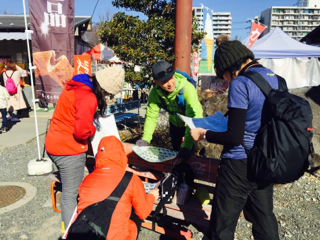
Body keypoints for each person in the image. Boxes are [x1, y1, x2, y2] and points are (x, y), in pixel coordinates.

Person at [190, 41, 280, 240]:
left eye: (225, 76)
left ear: (230, 67)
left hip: (238, 163)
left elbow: (234, 136)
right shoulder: (275, 79)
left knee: (222, 225)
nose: (227, 81)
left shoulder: (241, 83)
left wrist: (203, 133)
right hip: (266, 160)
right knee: (264, 218)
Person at [45, 66, 125, 231]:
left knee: (70, 191)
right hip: (68, 150)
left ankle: (69, 227)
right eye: (108, 94)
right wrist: (94, 128)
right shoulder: (89, 97)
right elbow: (82, 132)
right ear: (104, 90)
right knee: (70, 195)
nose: (107, 97)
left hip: (54, 143)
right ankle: (70, 232)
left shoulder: (76, 86)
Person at [76, 136, 159, 240]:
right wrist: (152, 196)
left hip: (87, 234)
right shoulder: (130, 179)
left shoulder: (87, 179)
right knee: (135, 213)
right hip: (117, 237)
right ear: (121, 155)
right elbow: (143, 213)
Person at [136, 61, 203, 158]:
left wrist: (187, 146)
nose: (170, 84)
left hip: (192, 126)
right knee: (176, 154)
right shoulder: (155, 93)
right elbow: (151, 117)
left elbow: (194, 117)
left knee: (190, 156)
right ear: (156, 82)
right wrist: (145, 139)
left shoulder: (187, 89)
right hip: (174, 125)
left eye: (171, 78)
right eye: (164, 82)